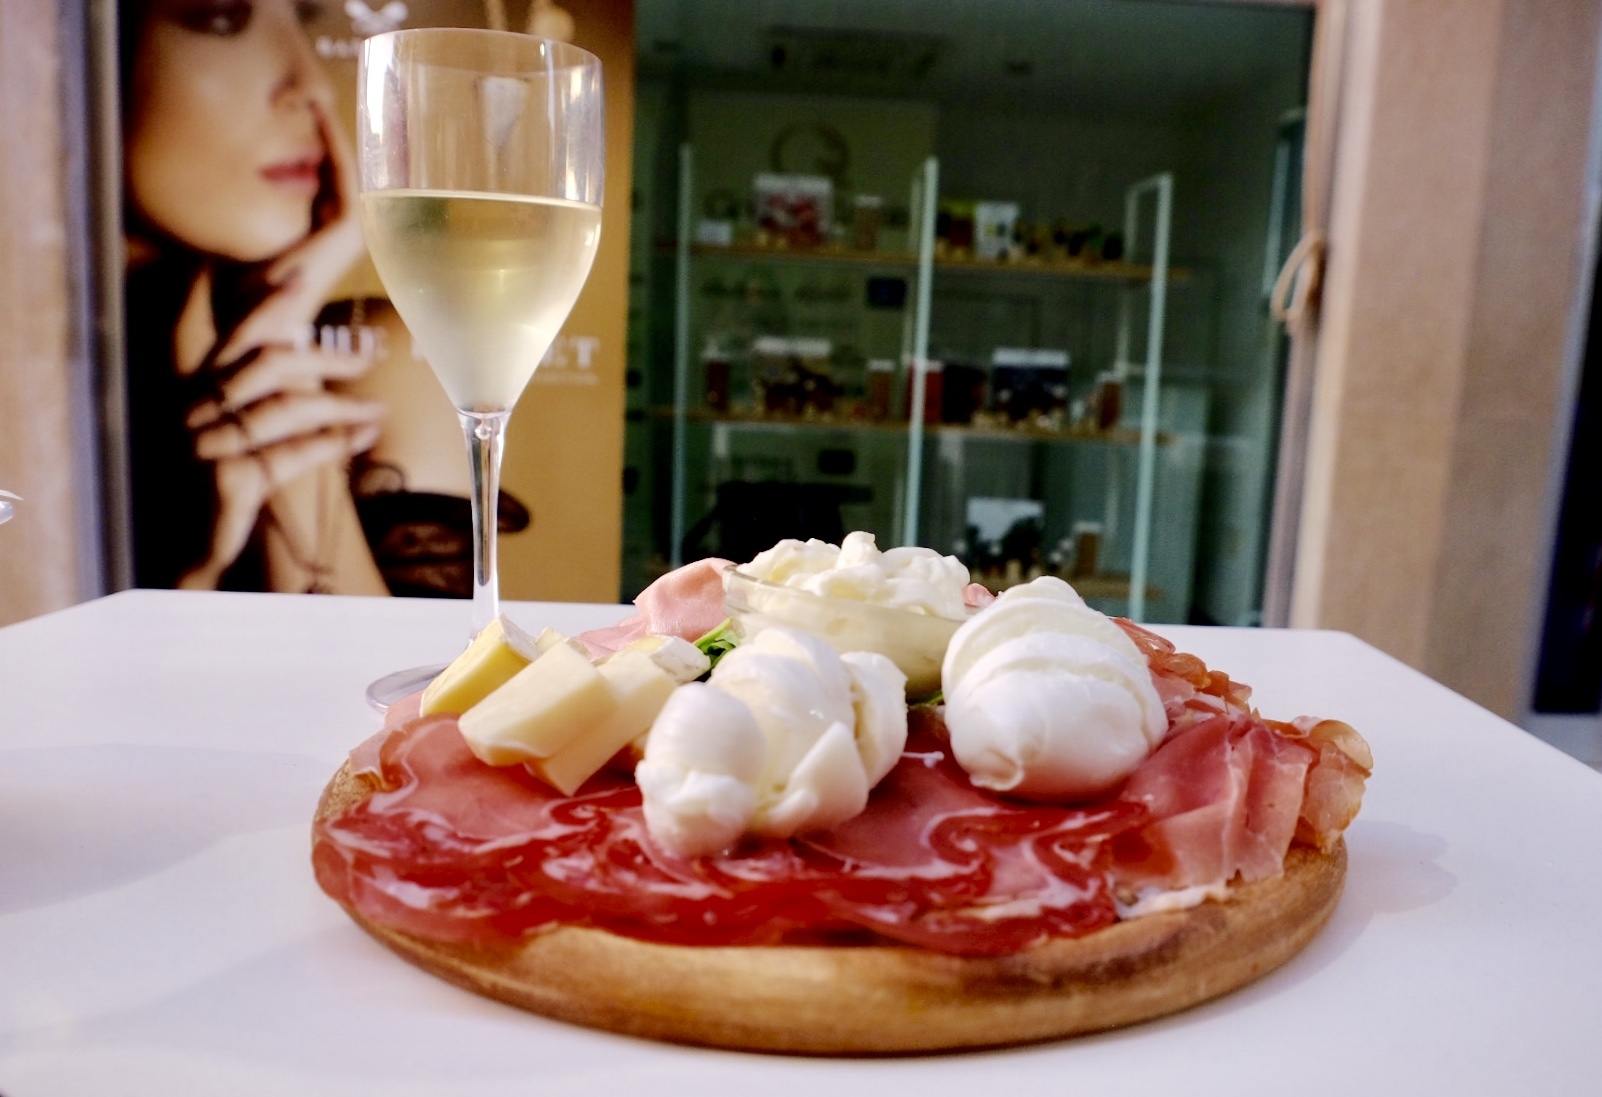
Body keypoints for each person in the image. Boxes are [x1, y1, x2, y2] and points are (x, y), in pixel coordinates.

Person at [121, 0, 387, 593]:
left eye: (305, 18)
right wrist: (192, 575)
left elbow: (384, 683)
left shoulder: (377, 381)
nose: (314, 88)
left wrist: (277, 332)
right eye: (221, 18)